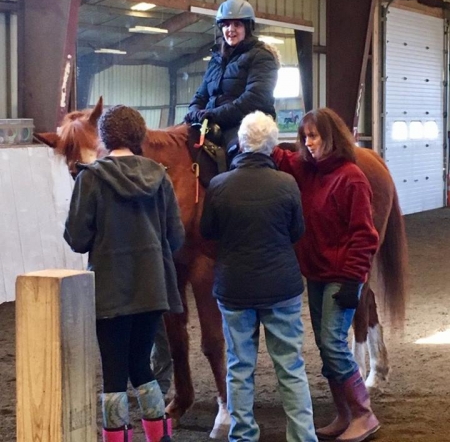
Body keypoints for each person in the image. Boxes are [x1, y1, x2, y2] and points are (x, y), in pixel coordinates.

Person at [63, 105, 184, 442]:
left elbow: (77, 238)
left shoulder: (90, 178)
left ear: (103, 137)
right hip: (152, 288)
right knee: (141, 366)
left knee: (114, 373)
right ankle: (160, 437)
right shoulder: (159, 177)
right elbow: (175, 237)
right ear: (138, 136)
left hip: (110, 291)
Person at [200, 111, 318, 442]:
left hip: (234, 287)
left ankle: (243, 436)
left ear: (239, 144)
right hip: (281, 287)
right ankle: (303, 436)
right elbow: (297, 231)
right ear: (271, 147)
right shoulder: (287, 184)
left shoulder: (219, 185)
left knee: (239, 368)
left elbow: (208, 231)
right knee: (291, 368)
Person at [272, 108, 380, 442]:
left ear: (330, 137)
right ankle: (344, 413)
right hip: (317, 274)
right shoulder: (309, 171)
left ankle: (364, 414)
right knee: (324, 343)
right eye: (304, 137)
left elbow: (365, 235)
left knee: (333, 344)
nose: (308, 143)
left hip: (342, 276)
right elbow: (281, 157)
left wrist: (353, 279)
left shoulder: (352, 178)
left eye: (314, 136)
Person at [185, 0, 279, 156]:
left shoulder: (261, 56)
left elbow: (254, 98)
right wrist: (194, 112)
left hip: (244, 124)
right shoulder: (216, 59)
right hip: (211, 121)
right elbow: (201, 95)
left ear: (248, 27)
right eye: (226, 24)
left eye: (237, 24)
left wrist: (214, 115)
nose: (231, 29)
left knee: (239, 154)